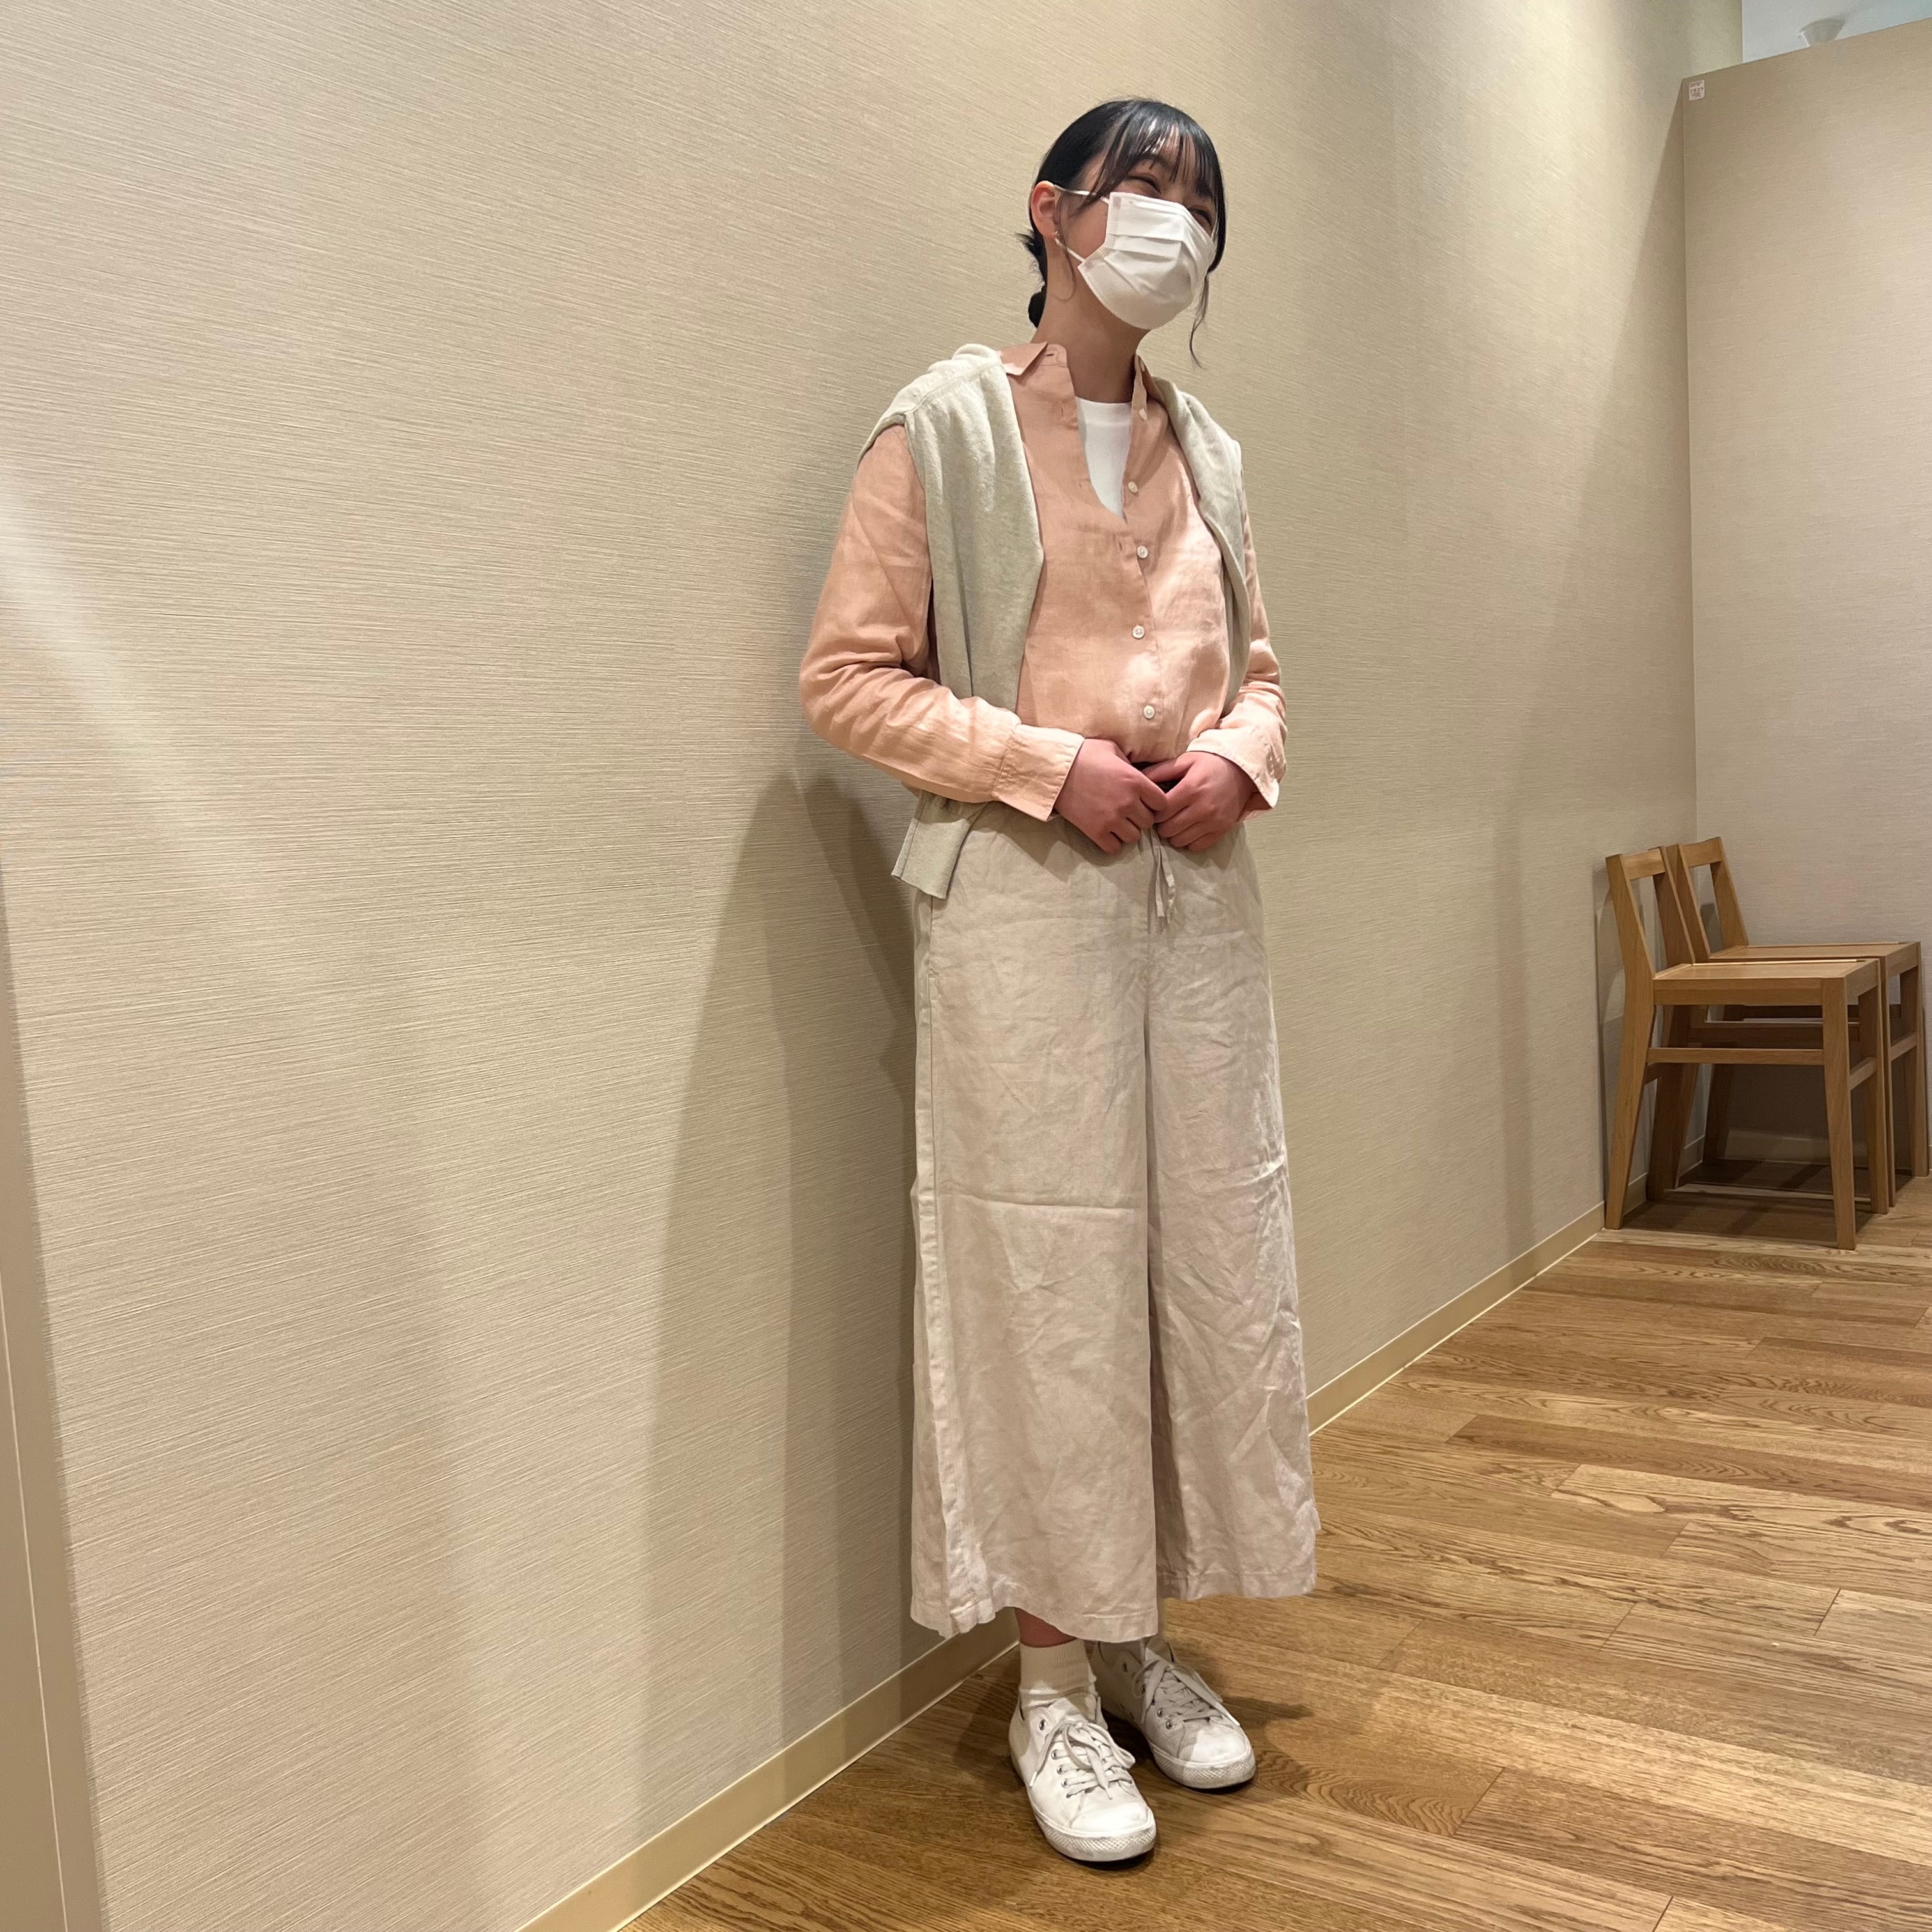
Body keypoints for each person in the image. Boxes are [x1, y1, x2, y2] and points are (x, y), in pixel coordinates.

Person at [798, 97, 1319, 1866]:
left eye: (1200, 201)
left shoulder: (1210, 451)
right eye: (1144, 186)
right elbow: (848, 679)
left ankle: (1138, 1630)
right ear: (1053, 210)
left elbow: (1262, 673)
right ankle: (1048, 1682)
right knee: (1047, 1277)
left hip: (1197, 910)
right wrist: (1046, 765)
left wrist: (1238, 758)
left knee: (1199, 1260)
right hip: (1025, 913)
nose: (1175, 222)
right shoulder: (943, 425)